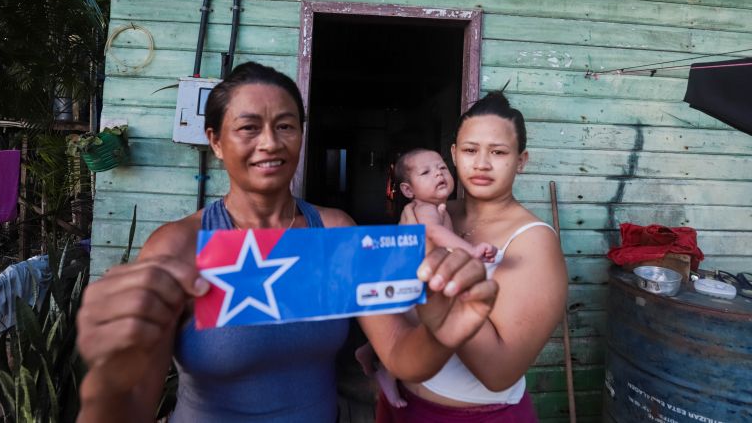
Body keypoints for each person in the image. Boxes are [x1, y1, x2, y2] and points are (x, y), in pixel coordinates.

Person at [75, 62, 499, 423]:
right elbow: (132, 406)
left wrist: (446, 330)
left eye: (285, 126)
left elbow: (403, 356)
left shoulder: (334, 232)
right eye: (248, 128)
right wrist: (108, 375)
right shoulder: (180, 245)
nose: (270, 143)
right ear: (216, 142)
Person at [376, 92, 568, 423]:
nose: (481, 163)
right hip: (401, 403)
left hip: (477, 416)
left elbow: (498, 372)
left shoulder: (532, 240)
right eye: (469, 150)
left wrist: (433, 258)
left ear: (521, 160)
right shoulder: (435, 213)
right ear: (453, 154)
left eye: (498, 152)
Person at [356, 148, 498, 408]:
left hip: (410, 277)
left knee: (404, 324)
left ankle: (366, 351)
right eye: (426, 172)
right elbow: (435, 234)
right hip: (409, 281)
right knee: (408, 331)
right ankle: (387, 375)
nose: (439, 174)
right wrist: (472, 251)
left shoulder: (438, 208)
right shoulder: (425, 209)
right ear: (409, 191)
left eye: (442, 167)